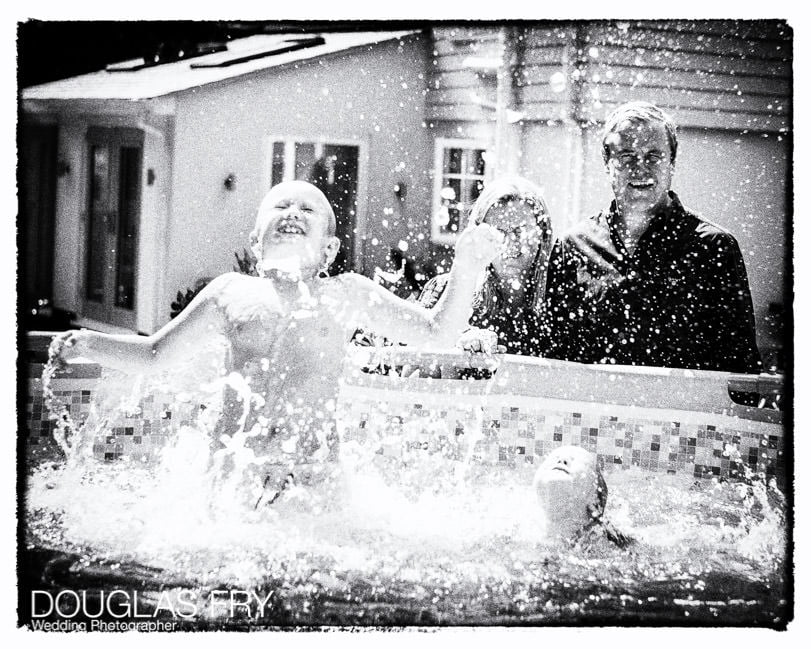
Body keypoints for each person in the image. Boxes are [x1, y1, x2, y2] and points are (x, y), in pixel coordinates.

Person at [51, 180, 503, 501]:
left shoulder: (347, 293)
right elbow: (154, 355)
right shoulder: (229, 293)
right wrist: (91, 343)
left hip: (314, 477)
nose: (292, 213)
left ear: (330, 249)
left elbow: (435, 331)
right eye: (281, 206)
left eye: (308, 210)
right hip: (233, 472)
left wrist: (466, 273)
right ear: (255, 241)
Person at [544, 101, 761, 373]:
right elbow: (553, 354)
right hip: (591, 413)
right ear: (607, 164)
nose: (641, 169)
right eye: (626, 157)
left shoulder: (713, 248)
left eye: (653, 156)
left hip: (683, 413)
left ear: (672, 164)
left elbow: (740, 366)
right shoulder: (573, 247)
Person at [418, 175, 553, 356]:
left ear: (542, 234)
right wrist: (456, 349)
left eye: (520, 230)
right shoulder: (446, 291)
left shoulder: (561, 300)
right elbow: (410, 373)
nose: (510, 243)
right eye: (498, 231)